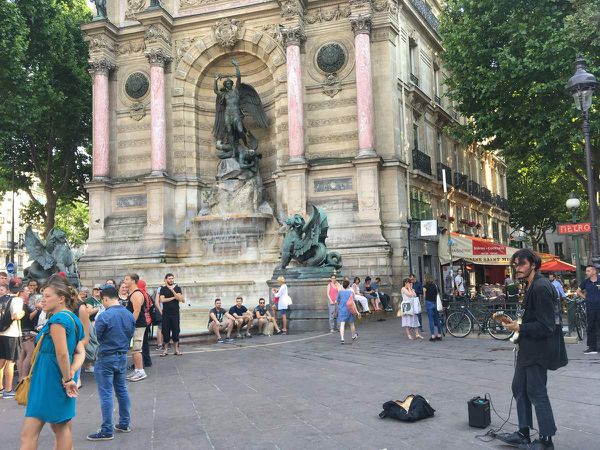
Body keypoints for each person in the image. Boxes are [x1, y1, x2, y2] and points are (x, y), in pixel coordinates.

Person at [498, 249, 559, 450]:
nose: (518, 268)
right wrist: (516, 323)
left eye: (522, 264)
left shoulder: (541, 287)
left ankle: (546, 441)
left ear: (533, 264)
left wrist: (520, 327)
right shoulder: (532, 285)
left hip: (537, 351)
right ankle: (523, 432)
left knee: (536, 393)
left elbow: (547, 326)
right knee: (519, 388)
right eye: (515, 265)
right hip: (527, 348)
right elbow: (534, 319)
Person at [20, 275, 85, 450]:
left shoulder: (57, 320)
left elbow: (62, 353)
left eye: (48, 296)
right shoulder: (72, 318)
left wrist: (67, 378)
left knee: (29, 435)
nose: (43, 300)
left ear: (61, 298)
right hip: (61, 378)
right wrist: (71, 374)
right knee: (61, 428)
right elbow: (80, 352)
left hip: (49, 377)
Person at [87, 286, 135, 441]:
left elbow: (96, 337)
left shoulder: (104, 316)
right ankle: (124, 423)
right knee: (121, 390)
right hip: (122, 355)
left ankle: (107, 429)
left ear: (105, 298)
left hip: (106, 356)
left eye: (103, 301)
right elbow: (130, 334)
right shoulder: (128, 314)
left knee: (106, 393)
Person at [0, 284, 24, 398]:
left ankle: (0, 388)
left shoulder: (2, 298)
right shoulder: (17, 300)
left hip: (1, 332)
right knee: (10, 362)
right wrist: (23, 313)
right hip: (12, 334)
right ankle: (8, 390)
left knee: (1, 361)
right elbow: (16, 315)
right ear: (19, 291)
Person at [124, 274, 148, 382]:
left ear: (133, 281)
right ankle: (137, 369)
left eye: (127, 279)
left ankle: (141, 371)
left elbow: (137, 311)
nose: (124, 281)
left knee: (137, 348)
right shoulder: (133, 293)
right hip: (136, 324)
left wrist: (131, 324)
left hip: (138, 325)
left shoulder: (136, 294)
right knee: (134, 349)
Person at [576, 264, 600, 355]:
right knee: (591, 327)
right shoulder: (585, 282)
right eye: (586, 271)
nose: (586, 272)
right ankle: (592, 347)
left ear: (594, 271)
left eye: (588, 271)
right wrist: (586, 298)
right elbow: (578, 291)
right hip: (590, 308)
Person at [158, 273, 184, 356]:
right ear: (166, 279)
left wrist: (172, 290)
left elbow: (180, 299)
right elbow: (162, 300)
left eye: (172, 278)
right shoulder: (162, 289)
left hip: (175, 314)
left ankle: (176, 349)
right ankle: (165, 350)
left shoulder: (177, 288)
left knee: (176, 331)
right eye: (169, 278)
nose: (171, 280)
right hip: (166, 314)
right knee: (165, 331)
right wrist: (173, 297)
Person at [17, 286, 37, 382]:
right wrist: (37, 309)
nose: (29, 292)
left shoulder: (18, 302)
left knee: (21, 354)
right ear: (21, 292)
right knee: (30, 353)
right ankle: (23, 376)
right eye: (27, 291)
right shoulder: (21, 303)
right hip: (26, 331)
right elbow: (28, 317)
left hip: (19, 331)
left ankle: (21, 377)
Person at [336, 279, 360, 344]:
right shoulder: (351, 293)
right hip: (349, 310)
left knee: (342, 324)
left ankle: (342, 339)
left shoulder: (340, 292)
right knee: (351, 324)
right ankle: (353, 336)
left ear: (342, 285)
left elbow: (336, 301)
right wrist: (357, 312)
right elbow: (353, 303)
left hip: (342, 309)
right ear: (349, 285)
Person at [137, 280, 153, 367]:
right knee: (145, 343)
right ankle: (147, 361)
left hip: (141, 321)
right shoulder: (147, 295)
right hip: (148, 320)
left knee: (140, 343)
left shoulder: (139, 295)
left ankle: (141, 362)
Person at [423, 275, 443, 341]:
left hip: (429, 303)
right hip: (435, 304)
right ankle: (439, 335)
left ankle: (433, 336)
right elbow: (438, 293)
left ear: (426, 279)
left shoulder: (425, 287)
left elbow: (424, 296)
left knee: (431, 320)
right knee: (437, 319)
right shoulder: (435, 286)